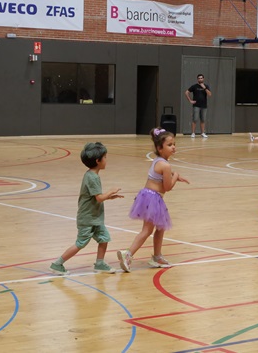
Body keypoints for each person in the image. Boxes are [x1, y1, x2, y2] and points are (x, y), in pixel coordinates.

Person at [117, 128, 189, 272]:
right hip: (153, 198)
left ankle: (157, 257)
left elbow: (161, 174)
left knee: (160, 227)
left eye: (174, 144)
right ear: (159, 148)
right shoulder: (165, 165)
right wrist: (176, 175)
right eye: (169, 145)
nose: (173, 147)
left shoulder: (158, 161)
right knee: (147, 230)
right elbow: (167, 187)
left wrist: (174, 175)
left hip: (147, 196)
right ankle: (128, 254)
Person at [50, 142, 124, 275]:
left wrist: (109, 197)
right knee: (80, 243)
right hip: (88, 218)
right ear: (98, 161)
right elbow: (99, 198)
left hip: (95, 218)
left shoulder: (92, 175)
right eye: (105, 157)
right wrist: (110, 191)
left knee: (104, 238)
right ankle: (57, 264)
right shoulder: (92, 177)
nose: (106, 159)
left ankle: (100, 264)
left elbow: (97, 197)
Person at [185, 73, 212, 138]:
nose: (200, 79)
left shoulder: (206, 86)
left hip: (204, 106)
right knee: (195, 119)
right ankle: (193, 133)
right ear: (197, 79)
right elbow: (186, 92)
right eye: (199, 78)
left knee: (203, 120)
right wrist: (190, 100)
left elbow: (209, 94)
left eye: (201, 78)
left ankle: (202, 133)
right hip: (196, 105)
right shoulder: (194, 86)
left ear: (203, 79)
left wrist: (204, 88)